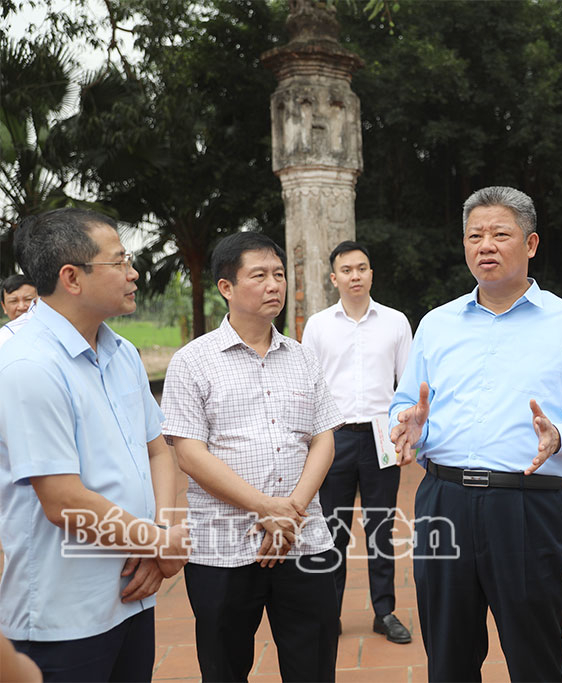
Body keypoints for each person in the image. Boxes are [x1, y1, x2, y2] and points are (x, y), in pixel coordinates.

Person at [389, 186, 562, 681]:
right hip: (443, 501)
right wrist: (408, 422)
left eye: (499, 234)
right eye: (474, 235)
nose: (485, 245)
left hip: (527, 508)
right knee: (447, 659)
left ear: (530, 244)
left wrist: (560, 437)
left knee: (535, 659)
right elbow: (407, 402)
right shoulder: (437, 324)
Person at [0, 207, 188, 681]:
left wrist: (159, 537)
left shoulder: (121, 353)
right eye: (119, 262)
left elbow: (156, 449)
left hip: (132, 591)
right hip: (65, 613)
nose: (134, 273)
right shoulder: (27, 366)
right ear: (72, 277)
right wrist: (161, 544)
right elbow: (63, 501)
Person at [161, 232, 343, 682]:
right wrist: (267, 509)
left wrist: (291, 513)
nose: (273, 285)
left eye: (278, 274)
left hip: (304, 541)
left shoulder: (302, 358)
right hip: (222, 548)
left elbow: (323, 439)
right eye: (258, 275)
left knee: (314, 663)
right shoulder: (192, 362)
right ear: (226, 287)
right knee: (224, 667)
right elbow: (188, 453)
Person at [302, 240, 414, 643]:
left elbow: (409, 386)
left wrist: (407, 437)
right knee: (333, 529)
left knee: (381, 528)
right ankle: (328, 614)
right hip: (334, 437)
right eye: (346, 270)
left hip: (382, 436)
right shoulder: (317, 325)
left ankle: (384, 612)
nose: (355, 276)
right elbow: (309, 387)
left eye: (362, 268)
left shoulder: (396, 322)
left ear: (371, 273)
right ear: (334, 278)